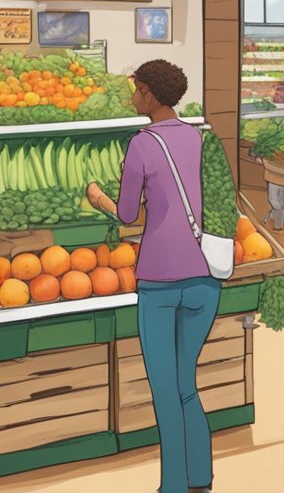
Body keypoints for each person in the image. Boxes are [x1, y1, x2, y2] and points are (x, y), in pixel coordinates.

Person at [85, 61, 217, 493]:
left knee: (165, 390)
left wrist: (98, 196)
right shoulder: (197, 137)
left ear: (151, 95)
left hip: (159, 280)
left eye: (137, 89)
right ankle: (200, 477)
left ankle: (173, 487)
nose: (132, 97)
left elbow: (127, 215)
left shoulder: (142, 144)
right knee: (186, 385)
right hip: (204, 277)